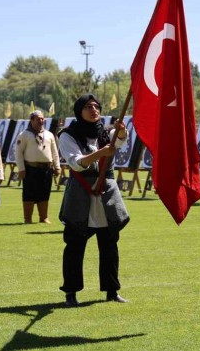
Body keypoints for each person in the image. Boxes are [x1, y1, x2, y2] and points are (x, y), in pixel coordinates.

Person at [58, 94, 130, 307]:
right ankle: (71, 292)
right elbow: (76, 163)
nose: (93, 109)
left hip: (106, 195)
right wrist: (101, 153)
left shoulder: (107, 132)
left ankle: (111, 290)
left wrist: (122, 132)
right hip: (80, 196)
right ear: (79, 110)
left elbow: (119, 143)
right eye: (88, 106)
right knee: (74, 247)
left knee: (109, 246)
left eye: (96, 106)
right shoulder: (68, 135)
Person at [15, 110, 61, 224]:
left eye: (42, 118)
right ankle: (27, 218)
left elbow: (54, 152)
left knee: (44, 193)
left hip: (46, 169)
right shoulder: (24, 135)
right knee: (29, 193)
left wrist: (57, 166)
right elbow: (18, 152)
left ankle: (43, 217)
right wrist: (21, 169)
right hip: (30, 168)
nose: (41, 121)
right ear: (32, 120)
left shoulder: (49, 135)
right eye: (38, 119)